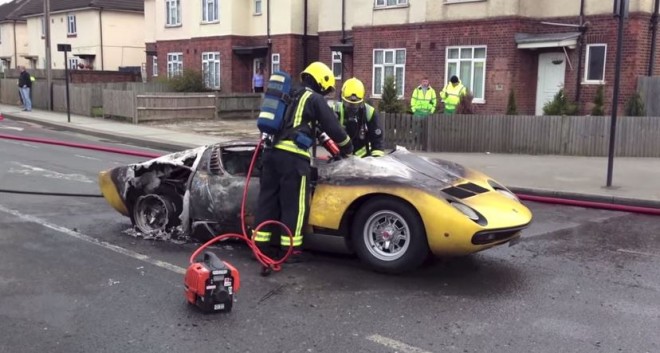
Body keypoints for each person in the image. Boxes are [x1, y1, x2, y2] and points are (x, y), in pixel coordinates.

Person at [254, 61, 353, 263]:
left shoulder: (288, 94)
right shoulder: (313, 98)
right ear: (321, 81)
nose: (325, 93)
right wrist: (347, 147)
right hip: (293, 159)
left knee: (267, 201)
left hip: (270, 154)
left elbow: (310, 129)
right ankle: (290, 251)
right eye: (326, 89)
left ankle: (260, 246)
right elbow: (333, 128)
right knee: (294, 206)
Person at [333, 77, 385, 157]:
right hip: (340, 157)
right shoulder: (336, 111)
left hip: (363, 159)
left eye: (355, 104)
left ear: (362, 100)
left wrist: (376, 161)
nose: (352, 107)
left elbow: (377, 142)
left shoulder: (369, 112)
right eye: (348, 104)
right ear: (342, 99)